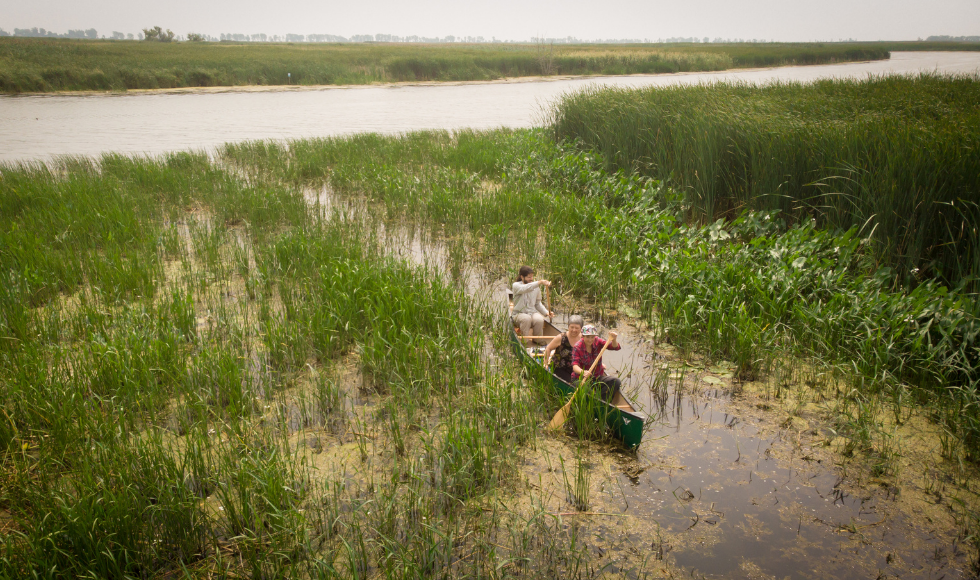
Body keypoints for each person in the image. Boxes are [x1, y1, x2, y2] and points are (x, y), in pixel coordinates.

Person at [571, 325, 622, 401]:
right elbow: (575, 366)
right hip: (580, 378)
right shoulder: (577, 347)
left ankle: (603, 401)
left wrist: (614, 339)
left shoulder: (598, 341)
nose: (590, 340)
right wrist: (583, 372)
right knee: (589, 393)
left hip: (596, 377)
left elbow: (614, 347)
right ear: (583, 336)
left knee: (616, 381)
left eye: (592, 337)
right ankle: (596, 400)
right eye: (587, 337)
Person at [511, 265, 554, 345]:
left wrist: (546, 313)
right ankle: (524, 342)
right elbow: (526, 288)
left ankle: (538, 340)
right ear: (522, 277)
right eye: (528, 277)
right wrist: (540, 282)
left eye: (532, 277)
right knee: (526, 319)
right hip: (518, 314)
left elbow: (538, 303)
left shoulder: (536, 288)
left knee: (539, 319)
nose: (531, 279)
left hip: (532, 312)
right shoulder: (516, 286)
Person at [544, 314, 584, 383]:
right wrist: (545, 363)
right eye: (572, 327)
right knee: (573, 383)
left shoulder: (583, 339)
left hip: (576, 369)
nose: (574, 330)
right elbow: (548, 348)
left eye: (577, 328)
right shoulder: (561, 337)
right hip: (559, 367)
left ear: (581, 328)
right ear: (568, 327)